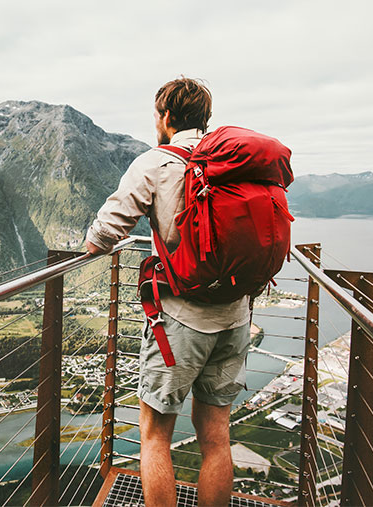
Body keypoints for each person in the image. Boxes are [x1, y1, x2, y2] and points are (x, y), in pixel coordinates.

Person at [84, 77, 250, 507]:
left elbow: (104, 235)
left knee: (155, 435)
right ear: (206, 119)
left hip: (180, 321)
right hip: (235, 315)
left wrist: (92, 243)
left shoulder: (156, 163)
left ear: (165, 117)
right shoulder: (234, 163)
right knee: (216, 436)